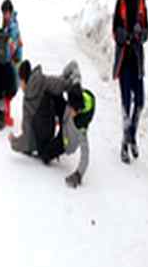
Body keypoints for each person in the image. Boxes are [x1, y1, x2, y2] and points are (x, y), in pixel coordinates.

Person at [10, 60, 91, 188]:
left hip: (64, 141)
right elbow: (73, 65)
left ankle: (46, 150)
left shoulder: (80, 125)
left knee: (45, 155)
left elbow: (85, 155)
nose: (20, 86)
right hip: (59, 118)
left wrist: (78, 174)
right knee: (51, 90)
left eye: (20, 82)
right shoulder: (66, 103)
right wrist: (74, 83)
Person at [111, 0, 148, 164]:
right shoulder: (120, 1)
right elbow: (114, 28)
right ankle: (124, 145)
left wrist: (140, 34)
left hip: (137, 59)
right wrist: (123, 35)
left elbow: (147, 30)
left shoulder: (142, 0)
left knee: (140, 102)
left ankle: (132, 135)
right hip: (124, 59)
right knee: (126, 103)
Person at [1, 0, 24, 67]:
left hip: (15, 61)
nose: (4, 16)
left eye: (6, 13)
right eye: (3, 13)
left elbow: (12, 46)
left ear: (10, 12)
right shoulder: (8, 24)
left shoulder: (13, 26)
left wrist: (5, 62)